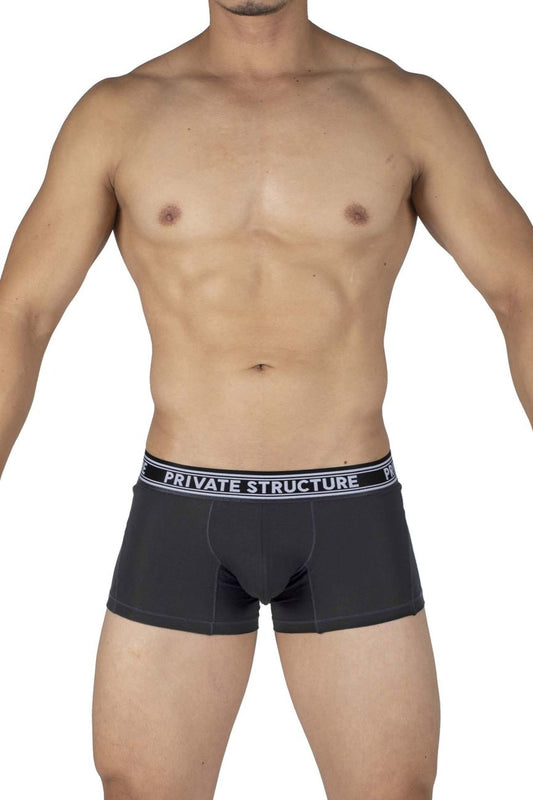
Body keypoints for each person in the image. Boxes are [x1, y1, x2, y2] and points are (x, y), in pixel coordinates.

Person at [1, 0, 531, 797]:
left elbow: (520, 291)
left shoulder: (403, 106)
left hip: (348, 503)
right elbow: (23, 314)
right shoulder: (118, 114)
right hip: (183, 504)